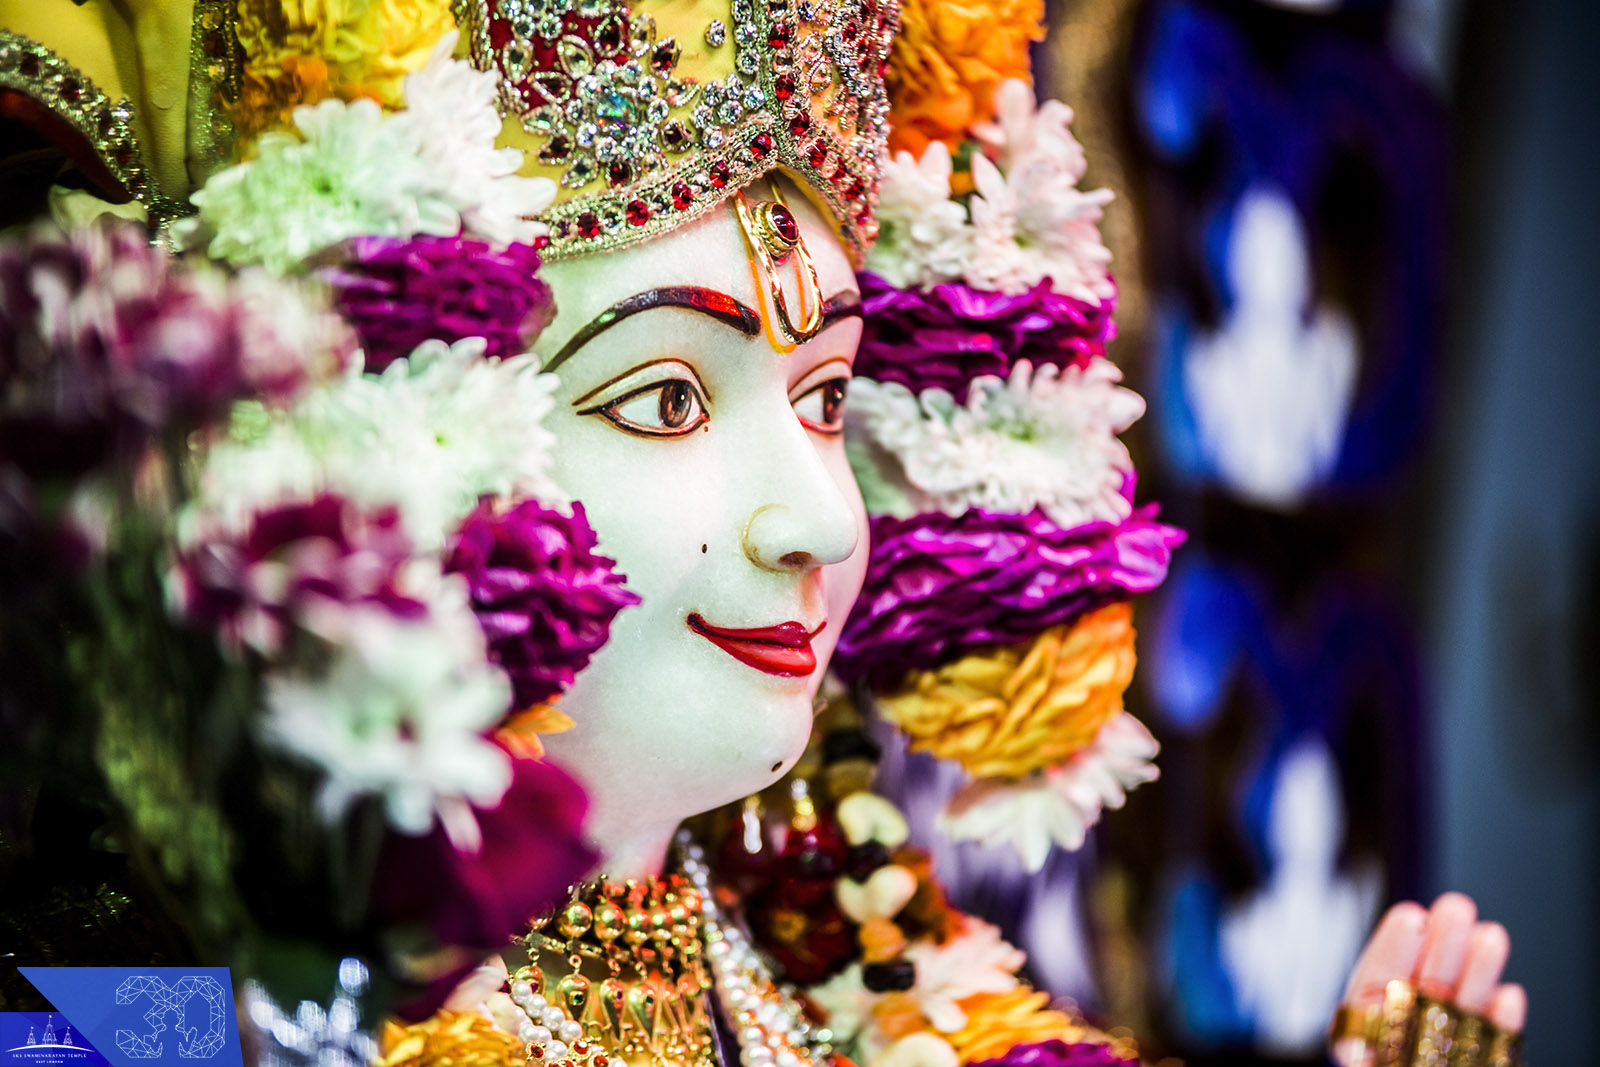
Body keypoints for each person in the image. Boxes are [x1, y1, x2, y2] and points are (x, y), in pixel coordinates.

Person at [0, 0, 1525, 1064]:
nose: (813, 515)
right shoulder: (148, 1001)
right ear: (397, 443)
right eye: (666, 402)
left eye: (820, 396)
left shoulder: (841, 978)